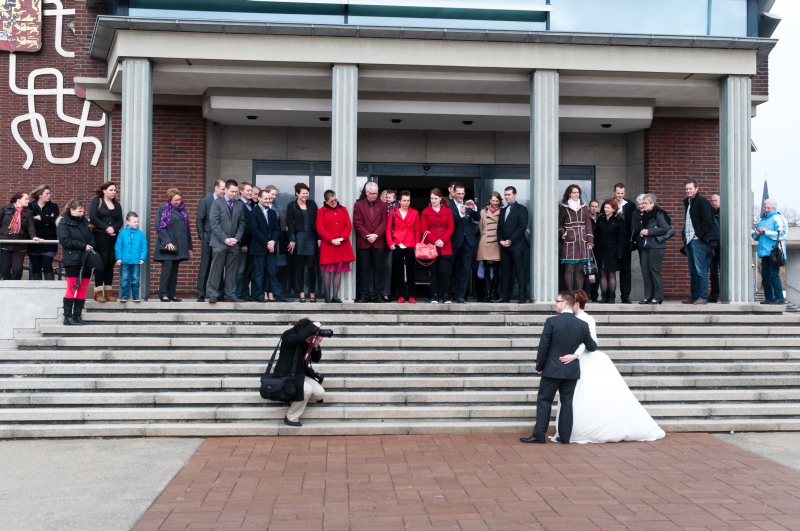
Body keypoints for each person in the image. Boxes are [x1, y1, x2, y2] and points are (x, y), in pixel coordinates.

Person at [551, 290, 665, 444]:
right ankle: (569, 429)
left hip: (584, 359)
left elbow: (589, 341)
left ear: (576, 304)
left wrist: (575, 355)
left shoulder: (587, 319)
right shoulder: (572, 319)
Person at [520, 291, 597, 445]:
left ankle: (539, 435)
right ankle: (565, 437)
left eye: (557, 301)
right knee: (567, 402)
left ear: (565, 303)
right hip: (571, 369)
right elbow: (592, 346)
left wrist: (539, 366)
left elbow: (543, 347)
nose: (555, 303)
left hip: (552, 368)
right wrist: (575, 353)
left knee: (544, 400)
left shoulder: (552, 322)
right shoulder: (582, 324)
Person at [57, 199, 101, 326]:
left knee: (83, 287)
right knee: (72, 287)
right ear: (71, 210)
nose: (81, 213)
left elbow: (91, 237)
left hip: (86, 259)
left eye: (82, 211)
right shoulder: (63, 223)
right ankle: (68, 317)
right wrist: (83, 246)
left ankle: (77, 316)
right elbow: (65, 241)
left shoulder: (84, 222)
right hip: (72, 260)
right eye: (79, 211)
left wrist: (90, 245)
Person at [278, 318, 325, 427]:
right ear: (304, 330)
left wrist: (316, 345)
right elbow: (298, 338)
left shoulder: (306, 341)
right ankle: (291, 417)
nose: (311, 336)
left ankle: (292, 397)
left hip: (300, 374)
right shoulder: (288, 335)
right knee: (307, 389)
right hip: (286, 375)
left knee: (319, 393)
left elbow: (316, 359)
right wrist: (315, 325)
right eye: (310, 333)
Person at [208, 179, 246, 303]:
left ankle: (230, 294)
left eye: (236, 192)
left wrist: (236, 238)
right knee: (216, 270)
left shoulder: (239, 205)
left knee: (232, 270)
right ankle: (213, 295)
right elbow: (214, 223)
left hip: (234, 243)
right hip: (219, 243)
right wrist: (225, 239)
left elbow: (242, 223)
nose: (234, 194)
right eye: (232, 191)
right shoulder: (217, 203)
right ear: (226, 190)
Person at [681, 179, 718, 305]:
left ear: (697, 189)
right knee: (693, 270)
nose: (688, 191)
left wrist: (698, 235)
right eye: (686, 189)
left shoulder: (702, 202)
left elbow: (707, 221)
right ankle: (695, 296)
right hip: (689, 240)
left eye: (690, 188)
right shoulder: (688, 202)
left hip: (698, 240)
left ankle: (702, 297)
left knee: (700, 270)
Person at [250, 189, 290, 303]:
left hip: (271, 248)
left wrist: (272, 241)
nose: (268, 200)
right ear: (259, 198)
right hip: (259, 248)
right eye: (266, 198)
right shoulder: (253, 212)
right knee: (259, 273)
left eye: (269, 198)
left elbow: (277, 229)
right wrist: (267, 242)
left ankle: (279, 295)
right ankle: (259, 295)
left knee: (272, 272)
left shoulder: (272, 212)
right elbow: (255, 230)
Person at [154, 189, 193, 303]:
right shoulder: (163, 209)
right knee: (167, 269)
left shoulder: (183, 211)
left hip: (179, 245)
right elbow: (159, 227)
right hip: (168, 246)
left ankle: (171, 294)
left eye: (180, 199)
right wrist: (167, 242)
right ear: (170, 200)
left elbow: (187, 230)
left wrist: (189, 247)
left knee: (174, 271)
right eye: (176, 200)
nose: (178, 202)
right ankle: (163, 294)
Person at [316, 190, 355, 303]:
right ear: (326, 201)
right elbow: (320, 228)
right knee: (327, 271)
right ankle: (327, 296)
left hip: (342, 244)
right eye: (331, 201)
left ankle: (335, 296)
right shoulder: (321, 211)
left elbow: (348, 225)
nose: (334, 202)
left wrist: (342, 237)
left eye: (335, 200)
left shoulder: (343, 209)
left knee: (338, 270)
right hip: (329, 245)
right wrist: (331, 240)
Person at [633, 194, 672, 305]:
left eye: (645, 203)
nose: (643, 205)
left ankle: (658, 296)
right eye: (643, 203)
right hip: (645, 246)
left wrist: (649, 232)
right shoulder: (644, 216)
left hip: (656, 246)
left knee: (655, 271)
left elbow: (665, 229)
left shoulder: (659, 214)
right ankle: (648, 296)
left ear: (652, 204)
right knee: (645, 272)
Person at [353, 182, 388, 303]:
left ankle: (378, 295)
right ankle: (364, 295)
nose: (374, 195)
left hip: (378, 242)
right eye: (372, 193)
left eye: (376, 193)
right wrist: (368, 236)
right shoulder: (358, 205)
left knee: (379, 270)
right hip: (364, 242)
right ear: (367, 192)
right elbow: (357, 223)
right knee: (364, 270)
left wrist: (376, 235)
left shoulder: (382, 205)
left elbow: (384, 222)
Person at [493, 186, 529, 304]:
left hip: (517, 246)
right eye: (505, 195)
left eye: (509, 194)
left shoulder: (522, 209)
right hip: (504, 246)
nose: (506, 197)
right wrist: (501, 240)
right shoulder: (503, 210)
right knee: (506, 272)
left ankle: (522, 296)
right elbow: (499, 228)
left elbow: (522, 227)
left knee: (519, 271)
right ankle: (504, 296)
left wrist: (510, 240)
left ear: (515, 195)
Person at [89, 181, 123, 302]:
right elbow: (93, 217)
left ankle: (108, 292)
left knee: (110, 265)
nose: (114, 192)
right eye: (111, 190)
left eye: (115, 190)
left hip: (113, 237)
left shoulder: (117, 204)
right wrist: (106, 227)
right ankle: (98, 292)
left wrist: (114, 228)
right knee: (102, 265)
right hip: (100, 236)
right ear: (104, 190)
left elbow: (120, 221)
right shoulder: (97, 202)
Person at [287, 183, 319, 303]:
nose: (305, 195)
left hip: (311, 237)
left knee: (311, 267)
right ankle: (301, 293)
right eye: (303, 193)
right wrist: (292, 239)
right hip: (299, 238)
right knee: (299, 267)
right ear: (297, 193)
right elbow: (289, 223)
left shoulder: (312, 204)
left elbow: (318, 221)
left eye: (307, 193)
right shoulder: (292, 205)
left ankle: (312, 293)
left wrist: (319, 237)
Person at [420, 188, 454, 304]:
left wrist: (443, 240)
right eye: (431, 198)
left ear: (440, 198)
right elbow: (423, 229)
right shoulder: (425, 211)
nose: (433, 200)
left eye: (435, 198)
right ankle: (435, 296)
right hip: (431, 244)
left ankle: (446, 296)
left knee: (444, 271)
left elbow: (451, 227)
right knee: (433, 271)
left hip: (445, 244)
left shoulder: (448, 211)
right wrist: (435, 241)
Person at [558, 184, 594, 292]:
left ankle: (579, 294)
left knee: (580, 269)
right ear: (569, 194)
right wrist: (563, 233)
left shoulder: (584, 207)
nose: (576, 194)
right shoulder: (563, 207)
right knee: (569, 269)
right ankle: (570, 294)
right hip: (569, 242)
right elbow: (559, 224)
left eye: (578, 192)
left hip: (582, 241)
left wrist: (590, 241)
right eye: (574, 192)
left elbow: (588, 224)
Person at [386, 190, 420, 304]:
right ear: (399, 201)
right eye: (404, 200)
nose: (406, 203)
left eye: (408, 200)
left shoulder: (414, 212)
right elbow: (388, 228)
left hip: (410, 244)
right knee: (398, 271)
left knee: (411, 271)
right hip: (397, 243)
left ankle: (411, 295)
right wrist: (390, 243)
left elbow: (417, 230)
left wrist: (417, 244)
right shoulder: (393, 212)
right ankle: (401, 295)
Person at [448, 183, 480, 303]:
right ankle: (448, 294)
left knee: (465, 270)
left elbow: (477, 218)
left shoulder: (468, 203)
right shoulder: (448, 205)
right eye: (459, 193)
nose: (461, 196)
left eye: (463, 193)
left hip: (468, 241)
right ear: (453, 193)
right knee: (448, 268)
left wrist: (474, 208)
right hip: (454, 241)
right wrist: (461, 214)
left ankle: (461, 295)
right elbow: (449, 221)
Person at [753, 199, 788, 305]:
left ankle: (779, 298)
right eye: (765, 207)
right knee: (765, 277)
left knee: (774, 275)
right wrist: (757, 234)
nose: (766, 209)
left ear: (773, 208)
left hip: (774, 252)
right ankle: (769, 298)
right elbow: (754, 236)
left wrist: (766, 232)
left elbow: (783, 234)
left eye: (768, 208)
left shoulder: (778, 218)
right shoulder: (761, 220)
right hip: (764, 253)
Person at [195, 179, 226, 302]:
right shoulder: (206, 201)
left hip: (220, 239)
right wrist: (202, 235)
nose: (224, 191)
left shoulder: (224, 202)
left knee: (219, 267)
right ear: (216, 188)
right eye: (223, 189)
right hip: (208, 238)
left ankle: (220, 294)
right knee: (205, 266)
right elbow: (200, 219)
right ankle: (201, 294)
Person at [1, 192, 42, 279]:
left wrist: (33, 236)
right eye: (26, 199)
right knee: (4, 269)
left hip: (20, 244)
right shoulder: (4, 208)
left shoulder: (29, 212)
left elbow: (30, 226)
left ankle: (15, 286)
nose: (28, 201)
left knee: (18, 268)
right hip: (5, 242)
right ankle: (7, 288)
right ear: (18, 199)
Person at [594, 199, 626, 304]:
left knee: (611, 274)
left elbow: (621, 238)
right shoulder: (601, 219)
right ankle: (604, 296)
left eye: (608, 207)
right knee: (602, 274)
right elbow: (596, 235)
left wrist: (620, 252)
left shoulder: (618, 220)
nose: (606, 209)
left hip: (613, 251)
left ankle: (612, 297)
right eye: (605, 207)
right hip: (601, 251)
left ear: (613, 209)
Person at [114, 212, 148, 303]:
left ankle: (136, 296)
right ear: (127, 222)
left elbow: (144, 247)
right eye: (134, 222)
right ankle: (124, 296)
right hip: (124, 261)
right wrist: (119, 258)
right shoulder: (122, 233)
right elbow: (118, 246)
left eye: (137, 221)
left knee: (135, 279)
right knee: (124, 279)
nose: (136, 223)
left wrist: (142, 258)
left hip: (136, 261)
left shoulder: (140, 234)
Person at [28, 185, 59, 280]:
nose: (49, 195)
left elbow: (55, 220)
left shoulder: (53, 206)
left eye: (50, 193)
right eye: (47, 193)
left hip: (49, 240)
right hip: (34, 241)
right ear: (40, 194)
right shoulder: (31, 205)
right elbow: (30, 222)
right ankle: (37, 290)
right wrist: (47, 220)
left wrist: (40, 218)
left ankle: (50, 288)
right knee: (36, 266)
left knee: (47, 264)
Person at [614, 183, 637, 304]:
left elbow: (633, 223)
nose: (620, 195)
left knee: (625, 270)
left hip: (625, 242)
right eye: (618, 193)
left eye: (622, 193)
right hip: (612, 242)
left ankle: (625, 296)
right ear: (614, 192)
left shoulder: (630, 205)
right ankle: (609, 296)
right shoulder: (608, 204)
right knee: (609, 270)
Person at [477, 192, 502, 303]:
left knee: (496, 269)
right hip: (486, 242)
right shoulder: (483, 211)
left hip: (497, 242)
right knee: (486, 268)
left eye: (497, 201)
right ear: (489, 200)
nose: (495, 203)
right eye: (493, 200)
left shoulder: (502, 211)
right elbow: (481, 227)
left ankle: (493, 294)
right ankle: (487, 294)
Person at [235, 182, 256, 301]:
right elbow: (239, 225)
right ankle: (237, 293)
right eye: (247, 190)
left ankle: (245, 293)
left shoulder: (252, 205)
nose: (250, 193)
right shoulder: (238, 204)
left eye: (251, 191)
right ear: (241, 191)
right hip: (243, 244)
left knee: (248, 270)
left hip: (252, 244)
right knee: (240, 270)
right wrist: (243, 243)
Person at [382, 189, 398, 302]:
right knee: (385, 267)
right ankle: (383, 293)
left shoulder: (397, 209)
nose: (387, 199)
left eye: (389, 197)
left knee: (392, 268)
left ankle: (393, 293)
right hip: (382, 240)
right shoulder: (382, 208)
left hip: (395, 240)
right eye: (386, 197)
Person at [582, 199, 600, 302]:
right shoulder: (586, 219)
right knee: (586, 272)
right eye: (592, 206)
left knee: (597, 273)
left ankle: (594, 295)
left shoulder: (600, 219)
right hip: (587, 248)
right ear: (589, 207)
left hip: (598, 249)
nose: (594, 208)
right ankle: (585, 294)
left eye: (596, 206)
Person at [708, 194, 721, 303]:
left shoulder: (724, 214)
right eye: (712, 201)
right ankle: (714, 295)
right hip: (712, 247)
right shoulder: (709, 214)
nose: (714, 203)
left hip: (722, 246)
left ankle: (726, 294)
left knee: (724, 271)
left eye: (716, 200)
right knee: (713, 273)